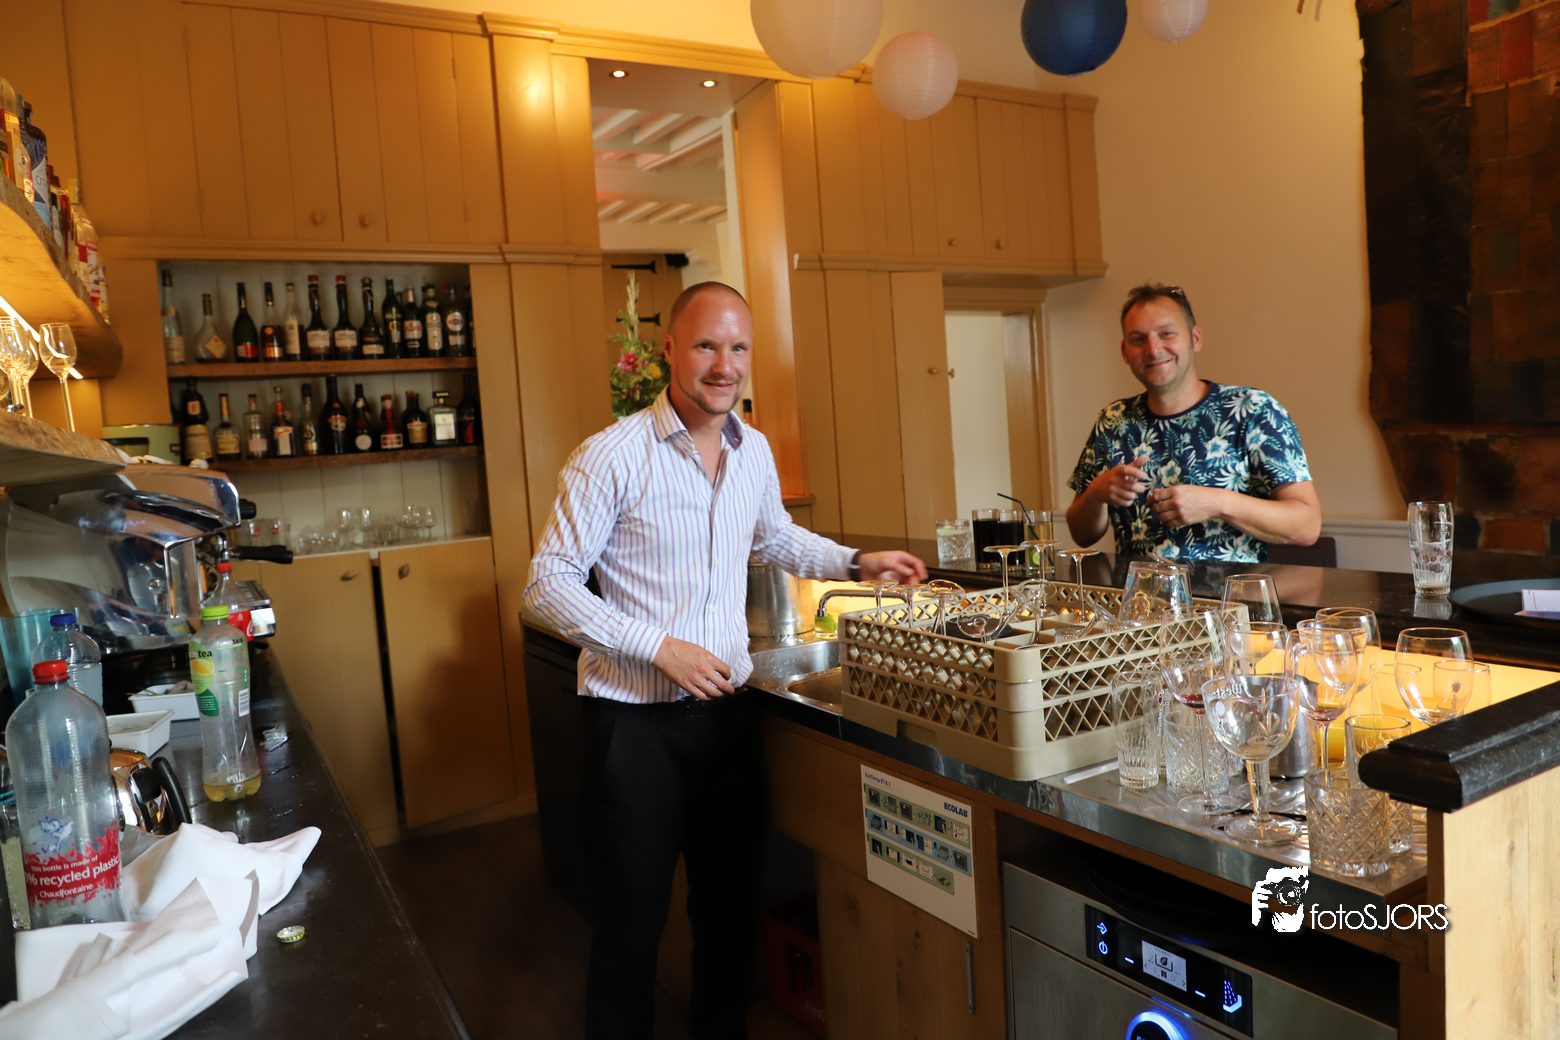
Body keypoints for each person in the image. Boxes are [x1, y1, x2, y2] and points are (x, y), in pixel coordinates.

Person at [523, 281, 925, 1039]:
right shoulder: (610, 456)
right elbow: (547, 585)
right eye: (707, 345)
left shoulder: (754, 450)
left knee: (729, 922)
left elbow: (772, 536)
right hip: (633, 727)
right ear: (668, 349)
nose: (723, 365)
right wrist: (658, 647)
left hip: (726, 724)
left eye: (737, 348)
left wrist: (854, 561)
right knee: (630, 933)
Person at [1065, 283, 1321, 562]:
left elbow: (1306, 526)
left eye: (1166, 334)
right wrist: (1095, 495)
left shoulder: (1253, 410)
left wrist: (1217, 502)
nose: (1153, 349)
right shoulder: (1113, 420)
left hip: (1231, 590)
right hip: (1137, 590)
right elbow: (1082, 535)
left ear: (1195, 339)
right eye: (1138, 339)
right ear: (1125, 352)